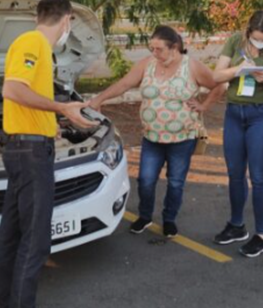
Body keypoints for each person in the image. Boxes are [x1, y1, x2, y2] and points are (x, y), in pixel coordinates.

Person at [0, 0, 97, 308]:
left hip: (24, 148)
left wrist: (57, 118)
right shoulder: (33, 43)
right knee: (35, 238)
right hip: (29, 154)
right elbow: (13, 89)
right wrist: (61, 109)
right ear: (66, 19)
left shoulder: (35, 46)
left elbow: (27, 99)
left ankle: (10, 305)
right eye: (71, 23)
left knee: (12, 231)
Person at [89, 25, 218, 238]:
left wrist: (204, 106)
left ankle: (169, 220)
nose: (154, 53)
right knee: (146, 180)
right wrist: (99, 99)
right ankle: (145, 216)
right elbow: (124, 84)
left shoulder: (192, 66)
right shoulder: (147, 64)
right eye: (152, 48)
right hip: (152, 137)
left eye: (159, 49)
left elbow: (218, 85)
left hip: (182, 138)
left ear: (174, 47)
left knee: (175, 182)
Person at [196, 11, 263, 257]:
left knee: (259, 175)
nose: (260, 43)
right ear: (248, 31)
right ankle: (236, 225)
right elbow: (215, 76)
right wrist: (238, 70)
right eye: (256, 38)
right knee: (235, 173)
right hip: (234, 113)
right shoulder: (235, 42)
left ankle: (261, 236)